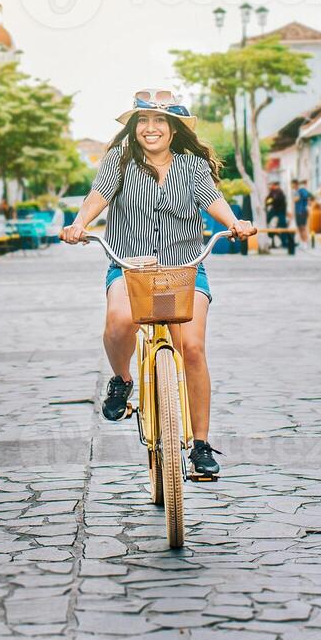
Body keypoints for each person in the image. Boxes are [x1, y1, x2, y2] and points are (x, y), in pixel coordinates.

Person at [61, 89, 255, 478]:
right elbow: (97, 196)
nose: (151, 128)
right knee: (120, 322)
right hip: (129, 264)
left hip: (184, 266)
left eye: (159, 121)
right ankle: (122, 378)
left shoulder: (192, 164)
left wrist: (234, 222)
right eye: (143, 121)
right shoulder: (118, 160)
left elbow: (212, 198)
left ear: (173, 129)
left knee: (194, 348)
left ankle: (199, 445)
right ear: (134, 130)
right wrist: (80, 223)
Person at [264, 179, 288, 248]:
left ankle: (284, 242)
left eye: (274, 185)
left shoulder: (280, 192)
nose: (273, 186)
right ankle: (271, 242)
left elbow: (276, 200)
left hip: (280, 211)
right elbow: (267, 201)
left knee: (283, 226)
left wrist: (270, 201)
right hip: (274, 210)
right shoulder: (272, 192)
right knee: (267, 222)